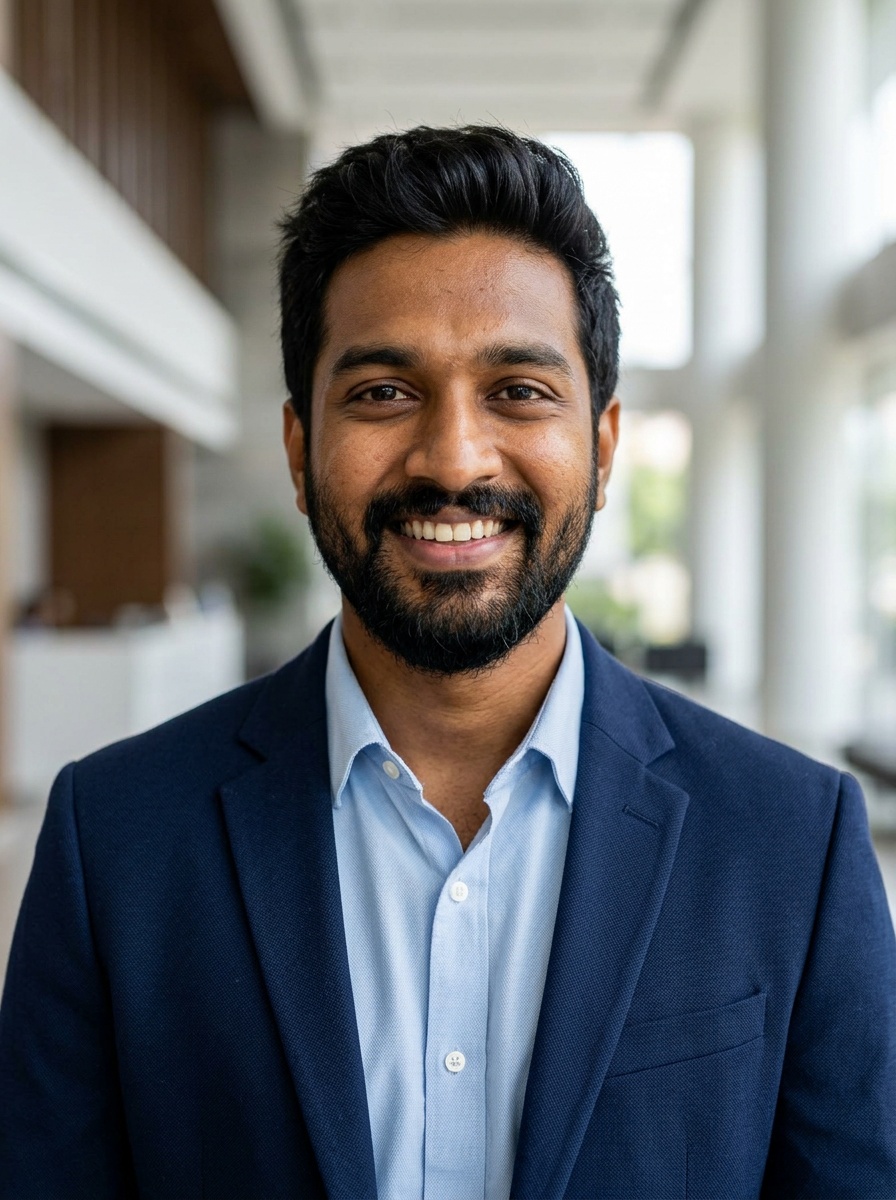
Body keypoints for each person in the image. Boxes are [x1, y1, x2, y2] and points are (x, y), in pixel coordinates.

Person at [0, 126, 894, 1200]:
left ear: (603, 448)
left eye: (517, 389)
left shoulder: (792, 843)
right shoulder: (117, 839)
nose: (454, 459)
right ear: (298, 450)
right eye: (382, 392)